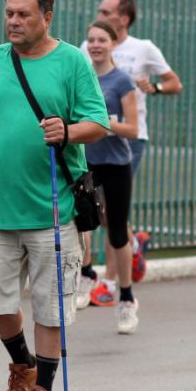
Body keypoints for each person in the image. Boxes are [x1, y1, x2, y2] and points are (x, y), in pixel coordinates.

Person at [0, 0, 108, 391]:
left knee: (50, 303)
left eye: (24, 14)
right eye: (9, 14)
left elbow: (98, 123)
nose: (14, 22)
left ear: (47, 16)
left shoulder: (71, 62)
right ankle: (21, 366)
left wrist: (68, 130)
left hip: (53, 209)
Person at [80, 0, 183, 285]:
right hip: (93, 138)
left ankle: (111, 281)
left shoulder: (143, 48)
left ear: (123, 19)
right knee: (100, 212)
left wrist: (156, 87)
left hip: (129, 139)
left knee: (111, 211)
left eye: (106, 11)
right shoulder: (90, 46)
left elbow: (176, 83)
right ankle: (134, 245)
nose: (99, 14)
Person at [79, 22, 141, 335]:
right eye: (90, 39)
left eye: (101, 39)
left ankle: (127, 299)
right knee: (83, 221)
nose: (95, 44)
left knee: (116, 233)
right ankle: (87, 274)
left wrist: (102, 123)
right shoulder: (82, 75)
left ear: (113, 44)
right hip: (87, 161)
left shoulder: (122, 81)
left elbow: (133, 129)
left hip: (116, 164)